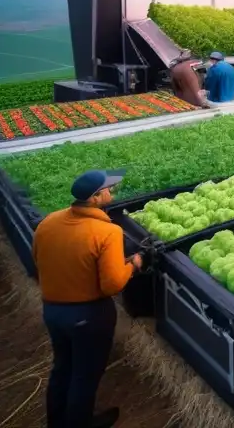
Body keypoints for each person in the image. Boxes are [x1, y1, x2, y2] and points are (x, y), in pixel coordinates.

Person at [33, 170, 142, 428]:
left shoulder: (49, 222)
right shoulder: (106, 232)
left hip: (53, 310)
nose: (112, 193)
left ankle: (56, 422)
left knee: (62, 368)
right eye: (107, 190)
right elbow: (112, 285)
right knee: (85, 375)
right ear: (95, 198)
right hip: (87, 316)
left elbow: (37, 258)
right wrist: (134, 265)